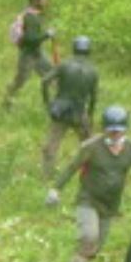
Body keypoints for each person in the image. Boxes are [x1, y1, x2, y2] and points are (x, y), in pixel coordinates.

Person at [47, 105, 131, 262]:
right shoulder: (91, 147)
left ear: (125, 130)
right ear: (104, 129)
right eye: (111, 131)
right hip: (88, 201)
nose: (115, 135)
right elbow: (71, 168)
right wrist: (56, 189)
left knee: (95, 247)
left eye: (119, 131)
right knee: (89, 237)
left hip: (110, 205)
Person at [40, 35, 98, 179]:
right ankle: (92, 174)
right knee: (89, 145)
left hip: (61, 110)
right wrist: (90, 116)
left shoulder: (64, 65)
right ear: (88, 50)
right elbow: (93, 98)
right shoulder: (93, 71)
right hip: (79, 112)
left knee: (51, 145)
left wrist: (48, 103)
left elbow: (45, 81)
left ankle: (46, 175)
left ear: (74, 48)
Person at [0, 0, 55, 112]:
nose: (46, 0)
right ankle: (7, 101)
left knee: (52, 75)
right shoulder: (31, 18)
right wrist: (47, 35)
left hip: (37, 53)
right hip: (28, 55)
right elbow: (31, 40)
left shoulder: (34, 15)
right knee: (21, 80)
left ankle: (51, 104)